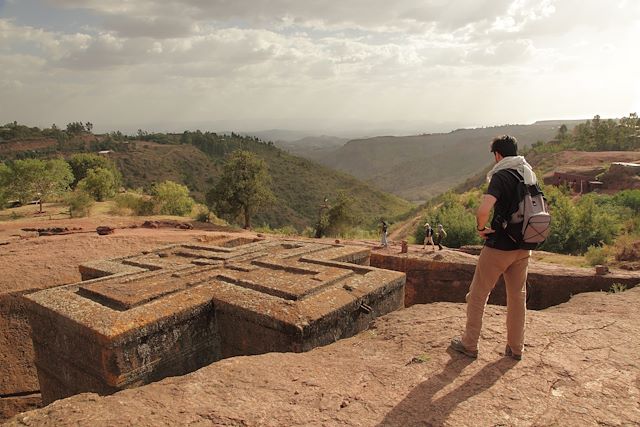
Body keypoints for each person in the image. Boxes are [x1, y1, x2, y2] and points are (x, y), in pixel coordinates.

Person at [450, 135, 536, 361]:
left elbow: (483, 210)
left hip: (500, 246)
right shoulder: (528, 173)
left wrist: (481, 228)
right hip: (524, 246)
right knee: (518, 297)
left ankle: (469, 344)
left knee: (478, 294)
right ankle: (516, 348)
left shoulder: (501, 174)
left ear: (498, 154)